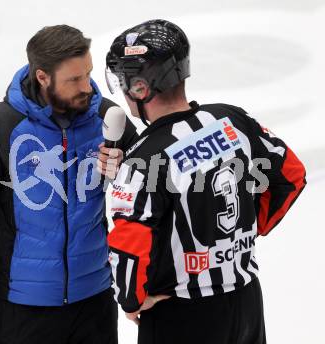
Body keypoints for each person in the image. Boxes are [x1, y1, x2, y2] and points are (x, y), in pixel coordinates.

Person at [105, 19, 306, 344]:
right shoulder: (232, 120)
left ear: (141, 88)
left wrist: (132, 299)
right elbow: (291, 175)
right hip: (246, 301)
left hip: (181, 315)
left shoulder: (142, 160)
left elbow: (130, 242)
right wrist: (248, 228)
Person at [0, 25, 138, 344]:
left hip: (94, 298)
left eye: (88, 73)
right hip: (22, 304)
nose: (88, 87)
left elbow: (150, 190)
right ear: (42, 78)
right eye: (74, 79)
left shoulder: (108, 118)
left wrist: (125, 169)